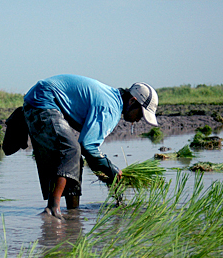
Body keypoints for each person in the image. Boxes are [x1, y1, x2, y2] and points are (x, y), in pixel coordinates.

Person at [21, 74, 159, 220]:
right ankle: (52, 209)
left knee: (75, 159)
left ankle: (73, 212)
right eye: (141, 114)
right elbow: (87, 146)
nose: (139, 119)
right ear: (132, 101)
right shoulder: (110, 108)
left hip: (43, 99)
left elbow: (88, 150)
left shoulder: (111, 100)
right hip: (43, 101)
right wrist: (111, 170)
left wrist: (105, 171)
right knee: (71, 150)